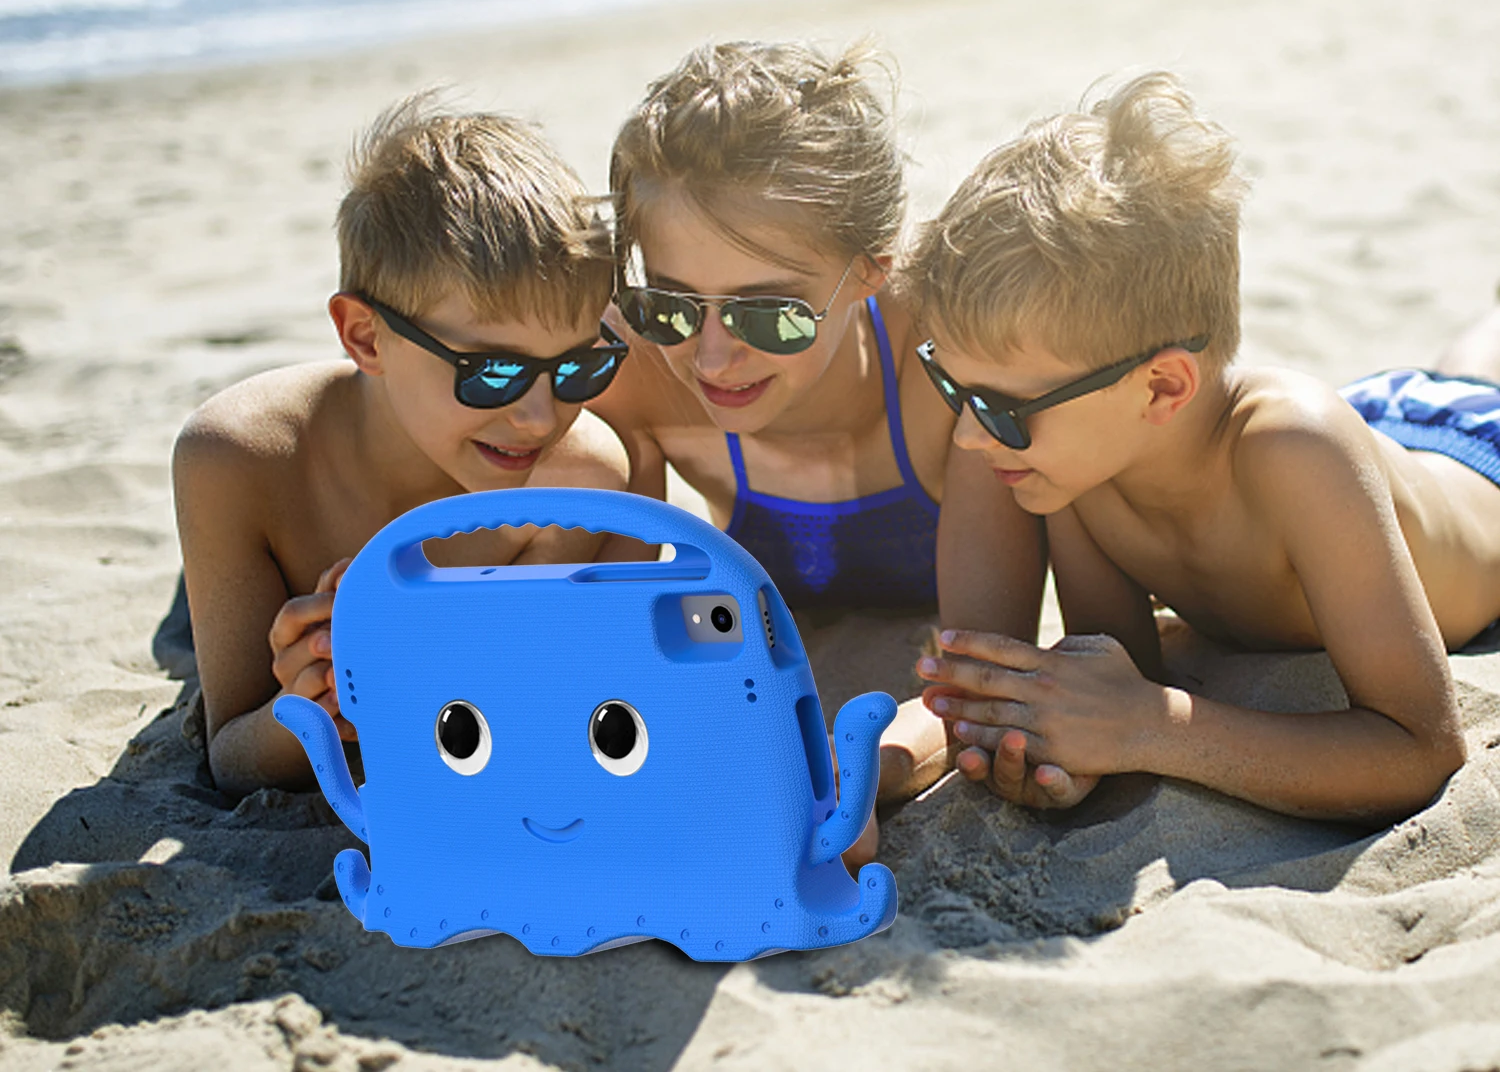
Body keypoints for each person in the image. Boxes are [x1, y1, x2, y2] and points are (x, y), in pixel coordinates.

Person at [901, 71, 1500, 823]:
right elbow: (1120, 682)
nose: (966, 434)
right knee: (1458, 365)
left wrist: (1150, 728)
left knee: (1473, 378)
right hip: (1378, 423)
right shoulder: (1078, 475)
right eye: (952, 388)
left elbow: (1420, 749)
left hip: (1475, 454)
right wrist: (1071, 749)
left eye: (1002, 408)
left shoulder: (1298, 452)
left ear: (1161, 388)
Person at [591, 40, 1044, 807]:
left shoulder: (946, 357)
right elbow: (612, 640)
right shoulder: (638, 365)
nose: (711, 356)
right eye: (670, 304)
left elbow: (983, 677)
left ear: (871, 269)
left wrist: (851, 775)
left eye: (768, 312)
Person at [172, 98, 630, 798]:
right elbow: (229, 753)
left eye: (577, 367)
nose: (541, 419)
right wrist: (311, 708)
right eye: (493, 373)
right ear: (365, 337)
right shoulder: (238, 461)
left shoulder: (582, 479)